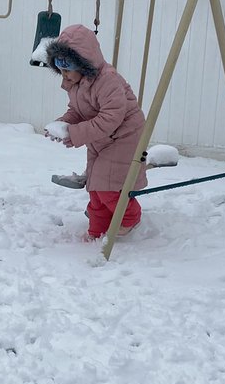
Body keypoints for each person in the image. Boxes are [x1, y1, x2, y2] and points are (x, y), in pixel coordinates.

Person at [43, 24, 148, 240]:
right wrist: (63, 124)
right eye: (60, 70)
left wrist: (75, 133)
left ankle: (130, 216)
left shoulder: (107, 80)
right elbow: (77, 111)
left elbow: (111, 118)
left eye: (67, 70)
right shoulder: (77, 83)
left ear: (83, 63)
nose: (64, 76)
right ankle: (97, 227)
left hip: (124, 136)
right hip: (100, 138)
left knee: (108, 187)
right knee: (95, 185)